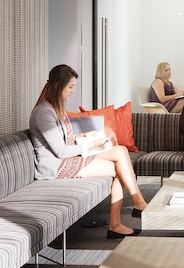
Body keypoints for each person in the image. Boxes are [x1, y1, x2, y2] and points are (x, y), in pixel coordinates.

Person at [29, 64, 148, 239]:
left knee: (121, 151)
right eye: (70, 86)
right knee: (120, 169)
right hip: (57, 165)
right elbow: (61, 151)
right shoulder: (43, 113)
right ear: (57, 86)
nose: (73, 91)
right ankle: (126, 214)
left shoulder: (57, 108)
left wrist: (87, 136)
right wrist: (91, 147)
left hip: (69, 157)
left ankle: (135, 205)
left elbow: (66, 139)